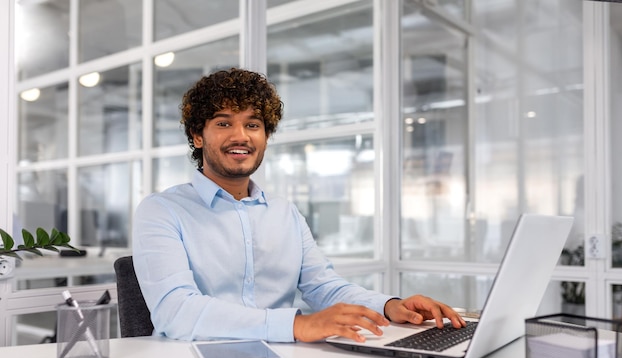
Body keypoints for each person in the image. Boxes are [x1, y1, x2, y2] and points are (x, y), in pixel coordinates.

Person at [132, 67, 465, 343]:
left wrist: (391, 305)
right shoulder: (162, 211)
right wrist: (295, 325)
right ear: (197, 136)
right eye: (223, 122)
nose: (241, 136)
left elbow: (322, 287)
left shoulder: (283, 213)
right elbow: (175, 311)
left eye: (253, 124)